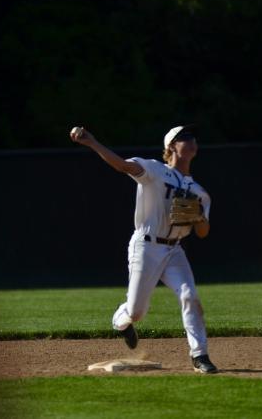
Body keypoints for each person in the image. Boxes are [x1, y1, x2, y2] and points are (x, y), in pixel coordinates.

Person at [69, 124, 218, 374]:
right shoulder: (154, 170)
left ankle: (199, 355)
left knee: (190, 296)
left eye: (194, 137)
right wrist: (92, 142)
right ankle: (121, 320)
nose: (192, 141)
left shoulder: (200, 193)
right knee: (137, 312)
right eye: (185, 137)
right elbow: (122, 166)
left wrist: (199, 219)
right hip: (146, 246)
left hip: (174, 251)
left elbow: (203, 233)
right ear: (171, 146)